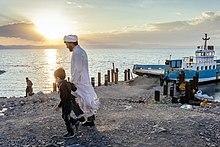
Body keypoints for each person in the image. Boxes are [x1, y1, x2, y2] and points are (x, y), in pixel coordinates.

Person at [63, 35, 99, 126]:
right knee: (86, 98)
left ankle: (81, 117)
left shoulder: (77, 53)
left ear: (71, 43)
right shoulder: (80, 51)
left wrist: (72, 82)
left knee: (72, 98)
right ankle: (90, 119)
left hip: (79, 81)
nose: (66, 46)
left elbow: (78, 69)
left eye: (67, 44)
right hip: (83, 80)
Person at [54, 67, 85, 138]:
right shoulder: (68, 83)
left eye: (55, 78)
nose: (55, 80)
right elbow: (75, 88)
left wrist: (59, 106)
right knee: (65, 116)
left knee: (66, 117)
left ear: (58, 78)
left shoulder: (62, 86)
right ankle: (75, 122)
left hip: (66, 104)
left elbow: (64, 98)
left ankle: (71, 132)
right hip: (71, 102)